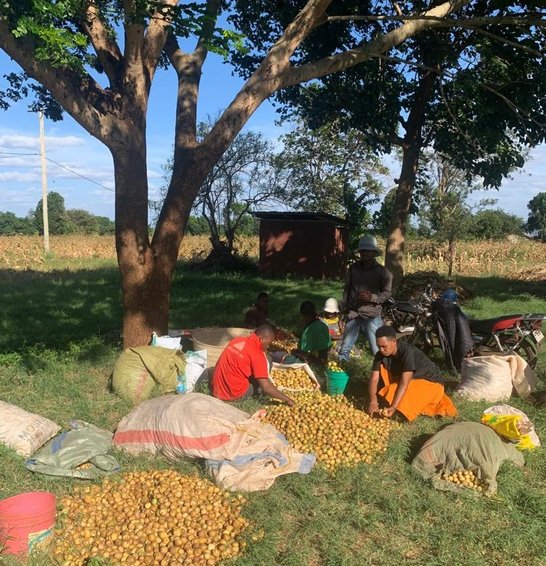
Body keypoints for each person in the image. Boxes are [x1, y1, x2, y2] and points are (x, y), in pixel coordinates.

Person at [367, 326, 457, 422]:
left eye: (384, 346)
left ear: (394, 341)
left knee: (393, 393)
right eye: (378, 346)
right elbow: (374, 379)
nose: (381, 350)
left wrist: (393, 406)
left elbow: (404, 383)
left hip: (430, 383)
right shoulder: (379, 355)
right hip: (411, 382)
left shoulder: (407, 351)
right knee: (387, 391)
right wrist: (373, 402)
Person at [211, 324, 294, 406]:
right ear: (261, 339)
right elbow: (266, 388)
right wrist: (287, 399)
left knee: (266, 359)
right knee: (259, 386)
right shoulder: (257, 354)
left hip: (216, 388)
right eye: (268, 343)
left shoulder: (237, 340)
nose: (268, 347)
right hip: (231, 394)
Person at [338, 235, 392, 360]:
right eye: (362, 251)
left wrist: (372, 298)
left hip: (371, 314)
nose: (364, 253)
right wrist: (343, 309)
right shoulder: (353, 269)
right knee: (345, 347)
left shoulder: (383, 272)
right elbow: (347, 289)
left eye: (367, 251)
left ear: (374, 253)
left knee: (378, 348)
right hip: (353, 312)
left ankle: (381, 372)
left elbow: (387, 293)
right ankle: (341, 368)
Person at [292, 301, 332, 366]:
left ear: (304, 316)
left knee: (295, 353)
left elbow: (304, 353)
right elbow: (329, 345)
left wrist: (296, 353)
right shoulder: (323, 325)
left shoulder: (308, 331)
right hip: (324, 358)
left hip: (315, 361)